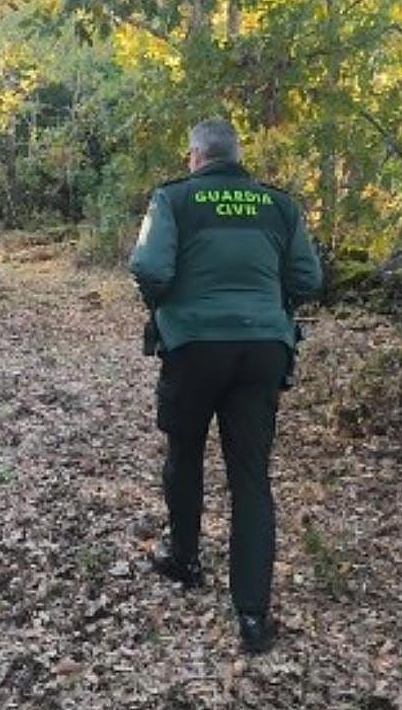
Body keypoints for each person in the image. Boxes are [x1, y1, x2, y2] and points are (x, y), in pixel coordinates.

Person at [129, 118, 322, 655]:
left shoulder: (174, 201)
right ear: (237, 156)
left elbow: (147, 267)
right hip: (263, 349)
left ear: (195, 156)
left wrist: (169, 302)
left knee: (185, 451)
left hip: (193, 345)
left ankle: (185, 560)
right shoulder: (279, 206)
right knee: (251, 476)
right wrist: (265, 305)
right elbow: (308, 279)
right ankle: (253, 618)